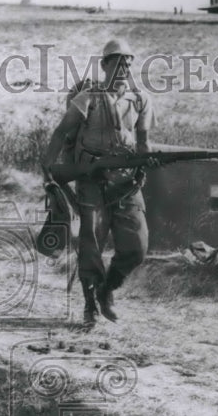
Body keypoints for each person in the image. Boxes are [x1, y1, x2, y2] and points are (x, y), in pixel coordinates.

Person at [40, 38, 153, 326]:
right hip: (92, 181)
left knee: (137, 247)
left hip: (127, 183)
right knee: (90, 245)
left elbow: (143, 142)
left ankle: (108, 289)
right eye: (116, 63)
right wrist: (49, 170)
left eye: (127, 63)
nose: (123, 68)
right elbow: (60, 132)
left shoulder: (140, 99)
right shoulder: (88, 98)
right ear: (104, 65)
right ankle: (90, 302)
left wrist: (145, 165)